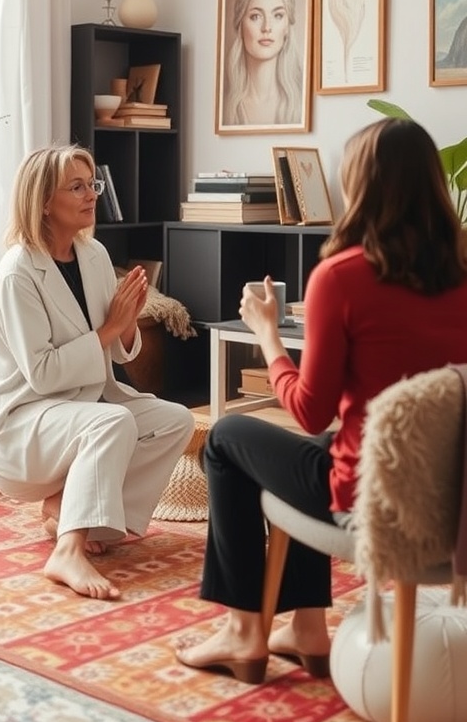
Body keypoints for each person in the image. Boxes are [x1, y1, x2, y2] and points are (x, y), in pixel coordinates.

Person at [176, 118, 467, 684]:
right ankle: (306, 628)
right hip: (451, 497)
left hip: (372, 500)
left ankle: (244, 632)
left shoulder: (342, 275)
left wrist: (266, 333)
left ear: (362, 187)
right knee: (313, 447)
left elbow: (311, 406)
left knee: (227, 438)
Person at [0, 144, 194, 601]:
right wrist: (111, 326)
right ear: (44, 202)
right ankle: (68, 550)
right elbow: (43, 374)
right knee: (112, 421)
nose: (92, 194)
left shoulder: (92, 254)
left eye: (91, 184)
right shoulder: (18, 273)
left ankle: (78, 513)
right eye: (76, 186)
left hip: (75, 410)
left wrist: (127, 324)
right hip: (21, 422)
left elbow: (115, 352)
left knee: (176, 420)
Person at [223, 0, 303, 126]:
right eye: (256, 16)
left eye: (278, 15)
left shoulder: (299, 103)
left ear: (287, 26)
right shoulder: (227, 107)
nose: (267, 27)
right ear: (241, 24)